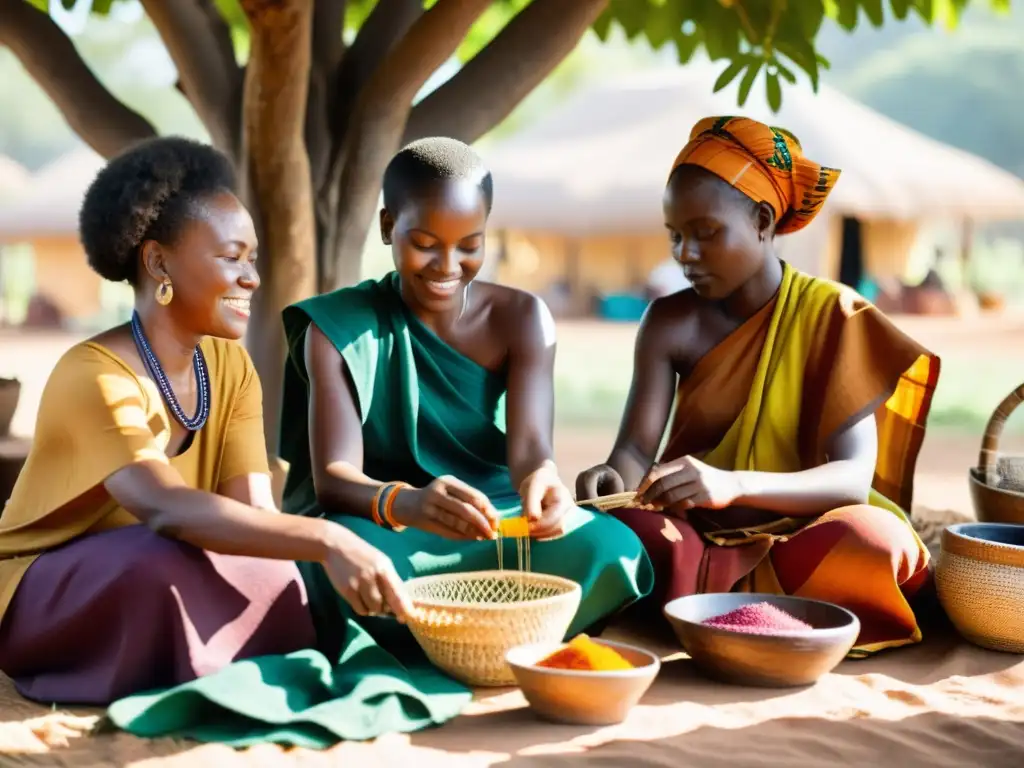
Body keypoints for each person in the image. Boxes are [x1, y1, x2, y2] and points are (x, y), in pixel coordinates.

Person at [100, 137, 653, 748]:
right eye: (425, 244)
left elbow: (529, 449)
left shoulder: (522, 318)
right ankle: (481, 638)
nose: (448, 265)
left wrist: (540, 483)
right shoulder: (337, 326)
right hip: (387, 525)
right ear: (388, 226)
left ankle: (457, 632)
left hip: (491, 521)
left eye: (470, 246)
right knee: (336, 565)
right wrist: (409, 502)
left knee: (612, 546)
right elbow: (335, 476)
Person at [0, 137, 410, 706]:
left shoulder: (230, 366)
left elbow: (253, 516)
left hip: (165, 552)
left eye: (253, 258)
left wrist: (311, 551)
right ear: (157, 261)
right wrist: (326, 535)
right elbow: (167, 510)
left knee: (279, 574)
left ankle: (211, 667)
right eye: (231, 256)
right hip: (38, 591)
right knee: (160, 562)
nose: (252, 278)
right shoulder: (92, 373)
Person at [576, 116, 940, 656]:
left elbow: (851, 479)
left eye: (705, 233)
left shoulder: (831, 315)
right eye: (675, 236)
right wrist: (611, 479)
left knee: (872, 540)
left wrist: (734, 484)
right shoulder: (669, 322)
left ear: (764, 221)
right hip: (692, 536)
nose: (685, 254)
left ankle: (705, 605)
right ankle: (775, 606)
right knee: (610, 534)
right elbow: (634, 450)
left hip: (808, 535)